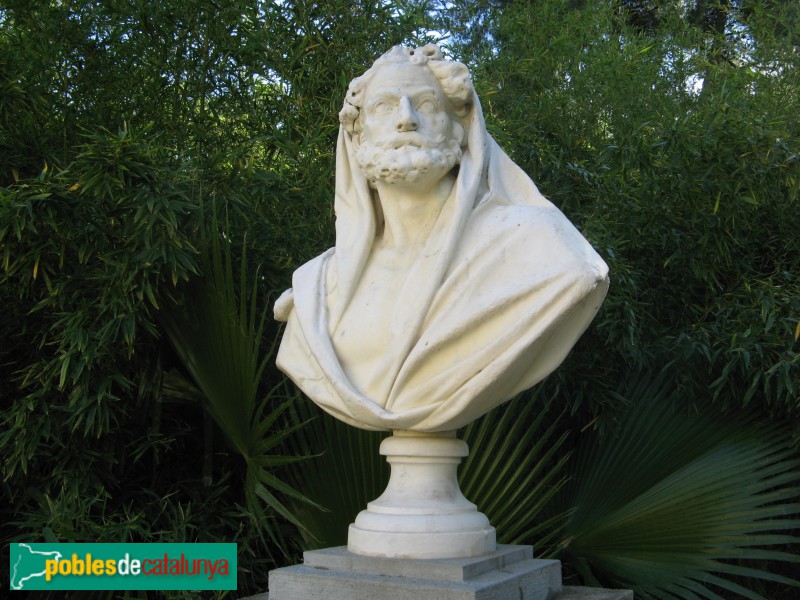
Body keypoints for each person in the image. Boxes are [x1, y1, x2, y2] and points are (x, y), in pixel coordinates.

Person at [274, 44, 609, 432]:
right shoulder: (319, 287)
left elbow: (581, 276)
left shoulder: (538, 247)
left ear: (460, 128)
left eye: (427, 105)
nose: (406, 119)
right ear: (356, 136)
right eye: (384, 106)